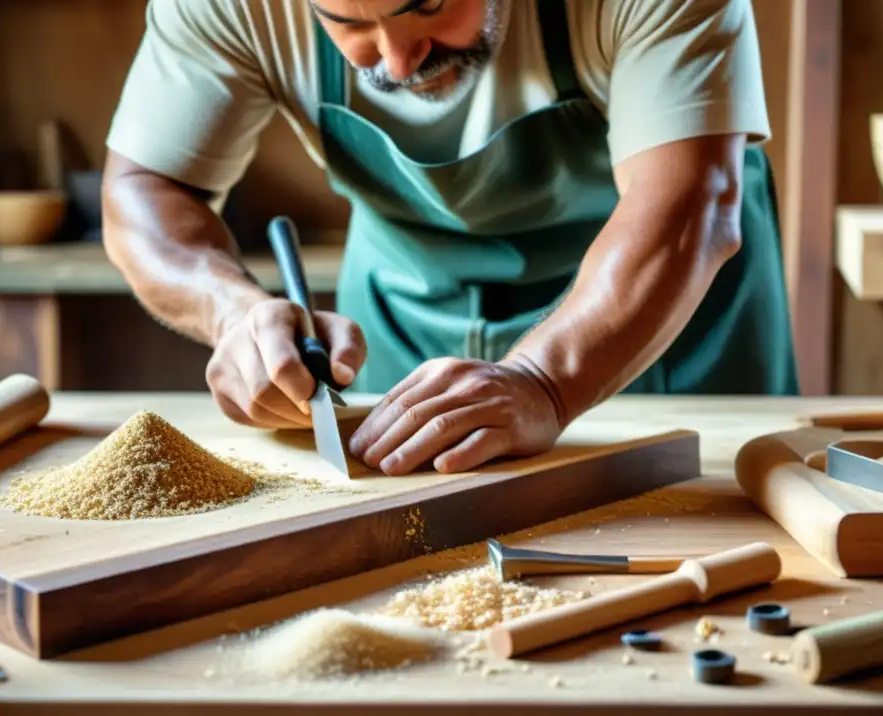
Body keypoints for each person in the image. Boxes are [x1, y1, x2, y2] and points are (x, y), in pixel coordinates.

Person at [102, 0, 798, 477]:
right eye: (348, 25)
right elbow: (144, 192)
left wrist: (543, 383)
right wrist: (233, 312)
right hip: (404, 311)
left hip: (659, 315)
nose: (398, 64)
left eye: (427, 5)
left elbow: (686, 206)